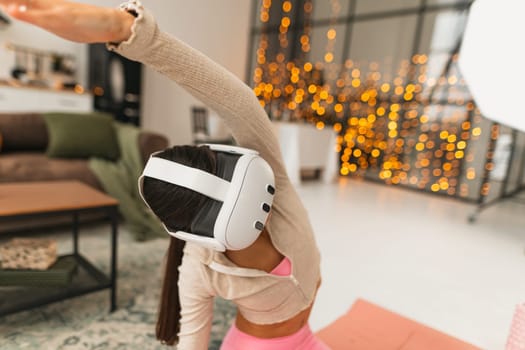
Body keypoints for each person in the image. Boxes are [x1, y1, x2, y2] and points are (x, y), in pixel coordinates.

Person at [0, 1, 328, 349]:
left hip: (308, 338)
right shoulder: (200, 266)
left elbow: (237, 100)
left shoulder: (278, 191)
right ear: (197, 233)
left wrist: (127, 30)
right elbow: (191, 340)